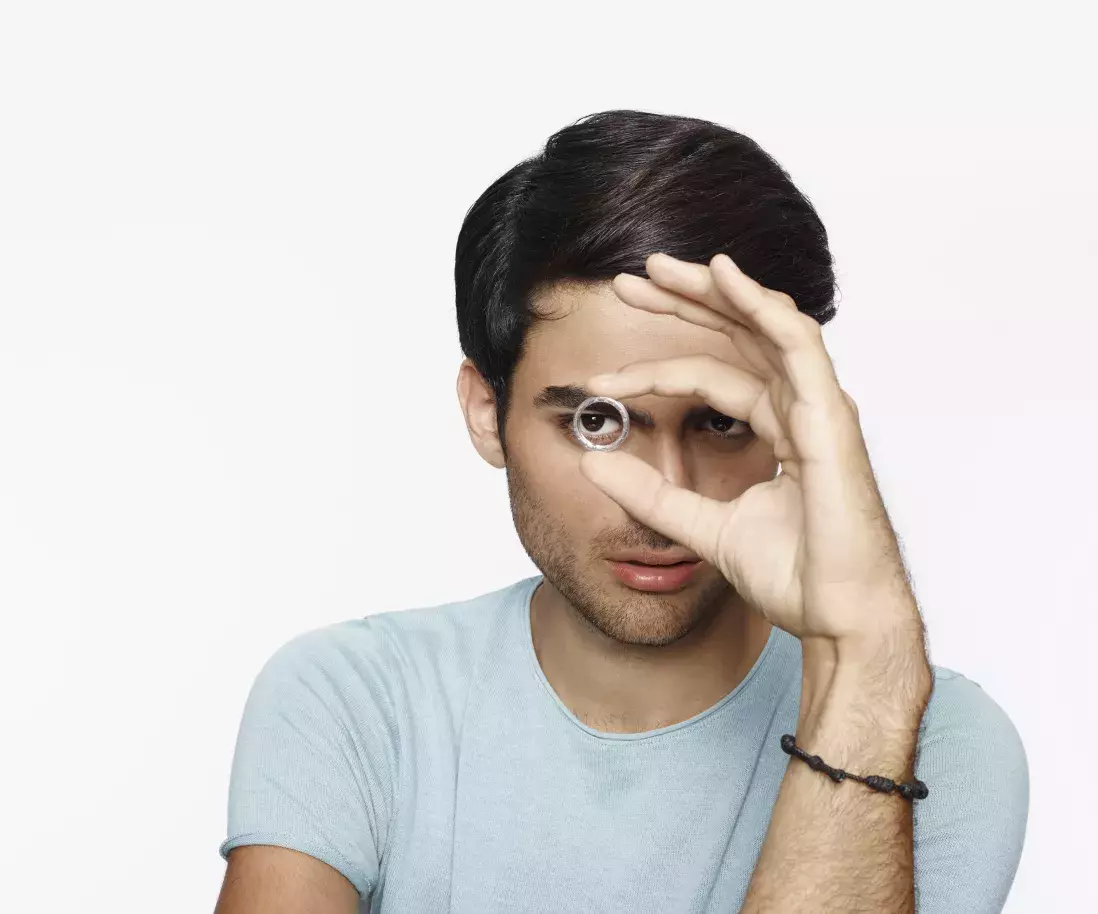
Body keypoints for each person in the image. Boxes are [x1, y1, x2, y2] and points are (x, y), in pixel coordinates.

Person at [214, 110, 1029, 914]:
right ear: (487, 413)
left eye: (721, 421)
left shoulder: (931, 741)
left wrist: (864, 663)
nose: (663, 498)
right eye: (595, 422)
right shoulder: (357, 700)